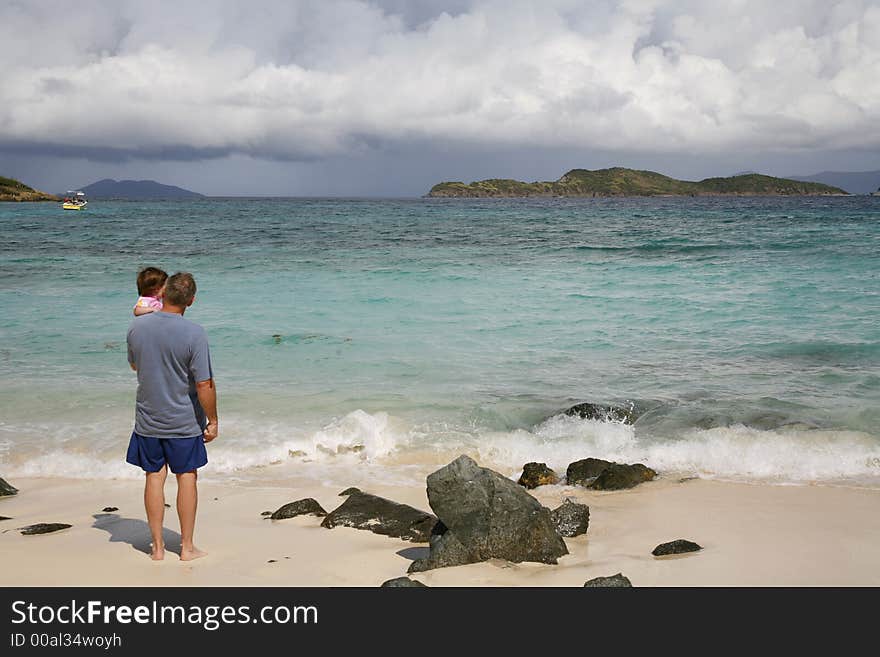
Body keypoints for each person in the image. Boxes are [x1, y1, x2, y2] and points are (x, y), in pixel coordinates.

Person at [125, 272, 218, 561]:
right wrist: (213, 420)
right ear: (191, 300)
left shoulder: (137, 328)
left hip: (149, 418)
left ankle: (157, 547)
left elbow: (134, 367)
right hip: (184, 421)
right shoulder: (194, 333)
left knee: (154, 476)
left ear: (162, 294)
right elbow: (204, 384)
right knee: (186, 478)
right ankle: (187, 548)